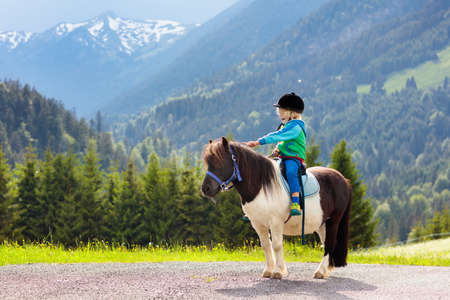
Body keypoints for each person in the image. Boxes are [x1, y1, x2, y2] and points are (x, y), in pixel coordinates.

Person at [246, 92, 306, 216]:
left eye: (283, 111)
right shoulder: (285, 126)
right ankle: (257, 204)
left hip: (293, 158)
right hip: (282, 157)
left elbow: (278, 136)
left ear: (292, 113)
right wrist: (277, 149)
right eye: (279, 112)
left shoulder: (296, 128)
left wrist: (259, 142)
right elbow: (280, 141)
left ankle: (295, 201)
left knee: (290, 171)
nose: (280, 114)